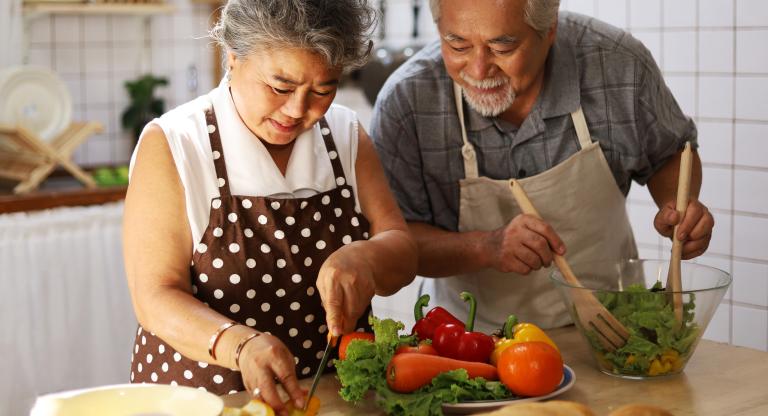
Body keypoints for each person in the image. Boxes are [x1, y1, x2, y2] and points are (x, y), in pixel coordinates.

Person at [123, 0, 417, 412]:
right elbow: (154, 296)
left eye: (323, 90)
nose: (299, 110)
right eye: (280, 87)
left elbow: (402, 250)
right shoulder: (175, 144)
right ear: (233, 56)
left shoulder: (346, 136)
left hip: (328, 398)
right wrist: (239, 345)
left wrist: (366, 257)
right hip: (205, 400)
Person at [369, 0, 714, 333]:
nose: (477, 70)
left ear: (549, 30)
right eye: (457, 45)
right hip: (469, 344)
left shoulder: (616, 63)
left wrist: (677, 208)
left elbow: (671, 153)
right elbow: (397, 243)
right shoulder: (407, 102)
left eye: (501, 48)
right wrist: (486, 247)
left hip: (610, 332)